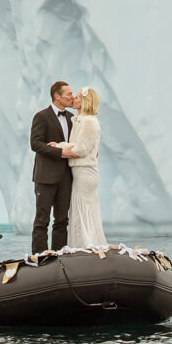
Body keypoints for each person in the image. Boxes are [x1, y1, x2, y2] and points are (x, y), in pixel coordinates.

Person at [57, 86, 106, 249]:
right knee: (81, 211)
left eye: (77, 97)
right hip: (79, 172)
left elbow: (81, 149)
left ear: (85, 101)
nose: (74, 99)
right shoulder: (80, 120)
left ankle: (86, 248)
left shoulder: (89, 122)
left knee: (83, 211)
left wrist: (59, 147)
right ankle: (86, 247)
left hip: (85, 172)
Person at [30, 81, 76, 254]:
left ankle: (59, 256)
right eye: (68, 94)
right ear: (57, 96)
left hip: (66, 176)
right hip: (45, 177)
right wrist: (59, 151)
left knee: (62, 220)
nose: (72, 97)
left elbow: (75, 145)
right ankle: (39, 257)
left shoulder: (72, 118)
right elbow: (35, 144)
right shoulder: (41, 116)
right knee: (42, 220)